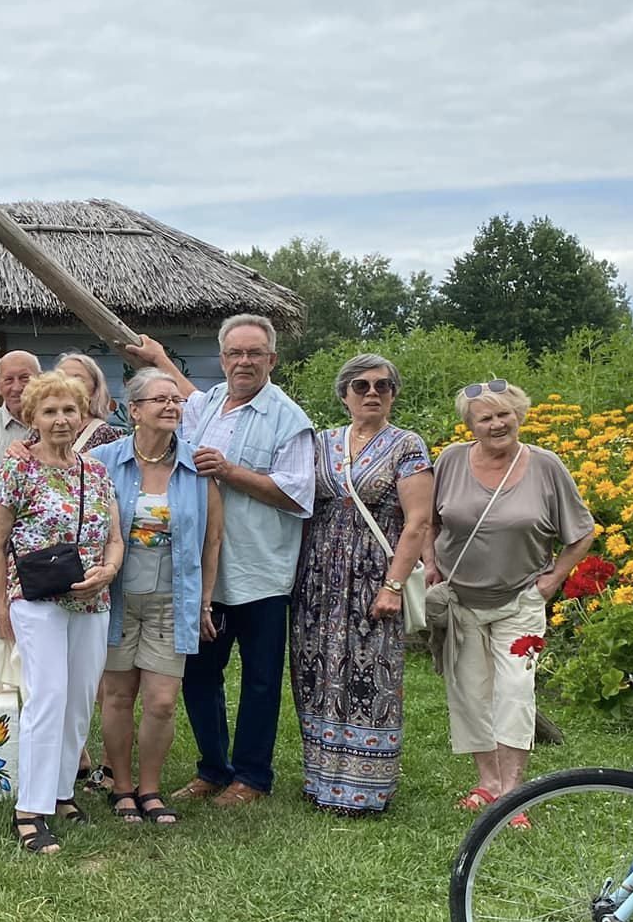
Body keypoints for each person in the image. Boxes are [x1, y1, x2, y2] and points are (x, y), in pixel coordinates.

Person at [125, 316, 314, 806]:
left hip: (259, 571)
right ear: (223, 358)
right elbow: (180, 399)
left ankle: (251, 776)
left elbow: (299, 495)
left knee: (259, 679)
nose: (244, 362)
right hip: (201, 575)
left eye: (255, 354)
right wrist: (160, 359)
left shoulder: (288, 418)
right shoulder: (206, 406)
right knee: (201, 674)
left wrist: (231, 472)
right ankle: (212, 767)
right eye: (235, 353)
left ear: (272, 360)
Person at [426, 380, 595, 820]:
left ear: (519, 414)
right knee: (470, 692)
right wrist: (431, 566)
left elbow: (582, 531)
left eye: (505, 414)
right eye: (486, 417)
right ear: (470, 425)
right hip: (461, 601)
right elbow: (428, 521)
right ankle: (488, 783)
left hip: (519, 601)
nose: (497, 423)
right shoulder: (449, 461)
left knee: (515, 691)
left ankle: (512, 795)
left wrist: (555, 577)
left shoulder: (545, 466)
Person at [0, 370, 124, 853]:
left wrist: (108, 571)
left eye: (69, 410)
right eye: (50, 411)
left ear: (83, 414)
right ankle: (30, 809)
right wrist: (0, 605)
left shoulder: (97, 472)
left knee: (80, 698)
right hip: (36, 600)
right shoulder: (16, 470)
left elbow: (115, 538)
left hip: (92, 601)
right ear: (33, 418)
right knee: (47, 697)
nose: (61, 419)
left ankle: (63, 791)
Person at [288, 354, 433, 816]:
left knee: (370, 674)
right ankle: (321, 781)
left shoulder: (406, 445)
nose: (372, 393)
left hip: (373, 574)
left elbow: (418, 522)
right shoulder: (322, 442)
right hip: (318, 577)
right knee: (318, 672)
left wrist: (393, 585)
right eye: (361, 385)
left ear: (394, 393)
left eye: (383, 386)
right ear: (344, 393)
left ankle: (365, 789)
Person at [93, 369, 222, 827]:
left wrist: (204, 602)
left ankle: (150, 789)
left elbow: (212, 541)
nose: (171, 406)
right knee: (117, 695)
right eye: (159, 400)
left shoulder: (196, 465)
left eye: (176, 400)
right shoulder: (100, 462)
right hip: (116, 597)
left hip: (174, 598)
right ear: (135, 410)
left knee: (163, 700)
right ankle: (122, 788)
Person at [0, 350, 40, 460]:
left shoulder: (56, 421)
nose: (17, 388)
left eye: (24, 378)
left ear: (40, 380)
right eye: (9, 380)